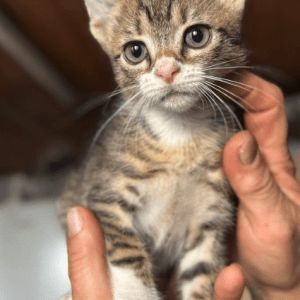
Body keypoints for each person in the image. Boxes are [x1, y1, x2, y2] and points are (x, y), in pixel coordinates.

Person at [65, 71, 300, 300]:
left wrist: (286, 291)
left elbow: (205, 247)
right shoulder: (127, 139)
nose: (167, 72)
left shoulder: (224, 133)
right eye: (136, 51)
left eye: (196, 35)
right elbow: (104, 206)